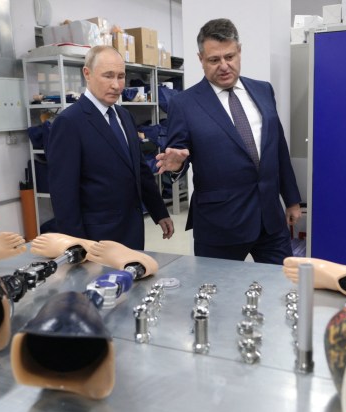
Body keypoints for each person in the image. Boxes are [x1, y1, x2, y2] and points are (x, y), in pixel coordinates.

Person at [156, 18, 302, 265]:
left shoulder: (264, 90)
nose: (224, 66)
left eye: (230, 57)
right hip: (219, 225)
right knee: (216, 287)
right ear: (201, 59)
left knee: (282, 283)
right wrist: (177, 166)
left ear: (239, 51)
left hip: (270, 220)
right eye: (214, 60)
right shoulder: (184, 104)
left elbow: (278, 148)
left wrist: (292, 199)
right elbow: (178, 154)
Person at [47, 45, 173, 250]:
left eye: (121, 76)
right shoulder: (69, 122)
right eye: (108, 76)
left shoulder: (125, 116)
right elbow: (63, 194)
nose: (116, 85)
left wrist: (159, 212)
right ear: (87, 73)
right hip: (97, 238)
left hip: (132, 230)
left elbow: (139, 170)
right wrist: (78, 247)